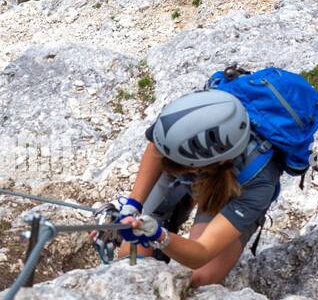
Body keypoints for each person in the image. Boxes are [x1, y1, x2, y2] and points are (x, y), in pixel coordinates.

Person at [100, 89, 284, 287]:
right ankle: (171, 213)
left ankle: (170, 224)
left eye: (182, 167)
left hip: (232, 189)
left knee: (197, 278)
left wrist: (157, 235)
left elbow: (201, 253)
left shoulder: (258, 182)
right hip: (199, 167)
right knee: (129, 261)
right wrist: (133, 205)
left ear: (205, 166)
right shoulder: (186, 119)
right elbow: (156, 148)